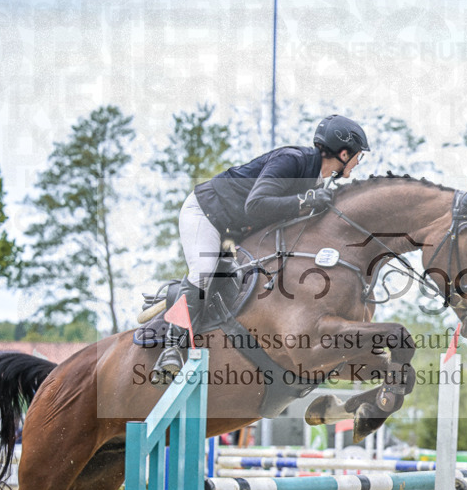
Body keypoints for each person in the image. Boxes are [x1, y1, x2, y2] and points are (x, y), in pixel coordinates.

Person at [154, 114, 370, 373]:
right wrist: (306, 200)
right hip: (208, 213)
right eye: (359, 155)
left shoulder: (317, 181)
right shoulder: (291, 160)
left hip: (237, 229)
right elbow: (256, 205)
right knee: (203, 272)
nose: (358, 162)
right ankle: (173, 347)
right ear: (344, 153)